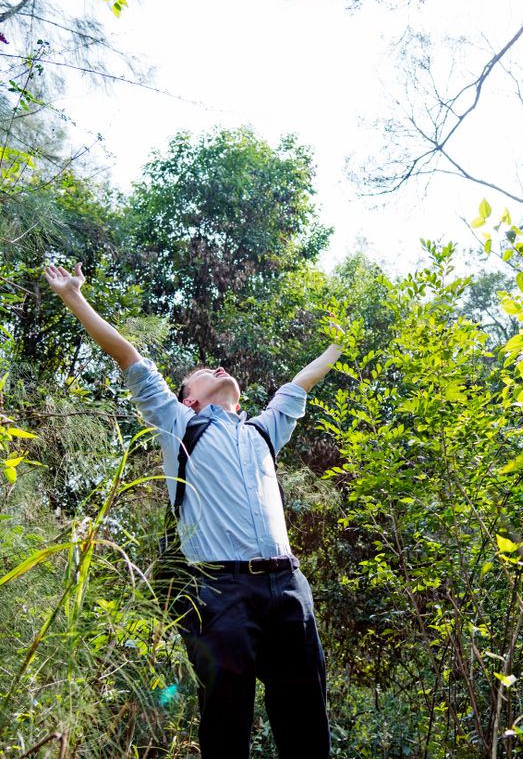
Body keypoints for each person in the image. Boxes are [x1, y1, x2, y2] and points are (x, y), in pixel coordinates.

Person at [45, 261, 339, 759]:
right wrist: (74, 297)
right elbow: (128, 355)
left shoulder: (264, 430)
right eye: (203, 374)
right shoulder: (179, 424)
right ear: (189, 399)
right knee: (226, 727)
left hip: (290, 588)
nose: (218, 369)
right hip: (221, 592)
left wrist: (338, 343)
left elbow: (301, 383)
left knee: (307, 723)